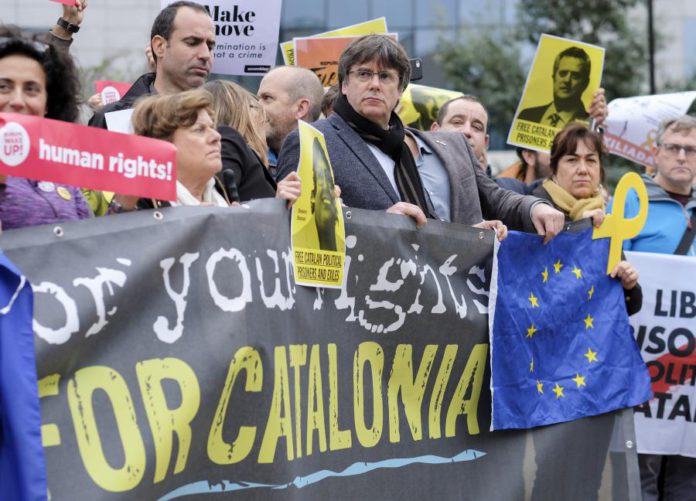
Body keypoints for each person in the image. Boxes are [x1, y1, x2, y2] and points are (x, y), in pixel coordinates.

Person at [276, 34, 563, 239]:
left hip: (455, 297)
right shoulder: (311, 140)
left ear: (400, 91)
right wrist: (382, 225)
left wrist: (534, 207)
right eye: (363, 74)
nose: (375, 84)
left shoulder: (450, 145)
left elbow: (496, 197)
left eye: (385, 77)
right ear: (344, 85)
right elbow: (296, 231)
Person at [528, 123, 643, 501]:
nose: (582, 169)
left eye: (591, 160)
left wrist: (629, 284)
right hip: (546, 373)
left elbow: (626, 305)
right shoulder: (530, 209)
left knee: (588, 480)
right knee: (549, 477)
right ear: (554, 167)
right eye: (572, 159)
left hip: (595, 373)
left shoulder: (607, 224)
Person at [620, 116, 696, 501]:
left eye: (691, 150)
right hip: (648, 359)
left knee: (689, 475)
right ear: (656, 153)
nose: (682, 156)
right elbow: (615, 264)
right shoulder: (632, 200)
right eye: (673, 147)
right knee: (641, 473)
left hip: (692, 367)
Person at [108, 89, 299, 211]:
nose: (216, 137)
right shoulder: (142, 205)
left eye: (212, 128)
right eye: (199, 130)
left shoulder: (223, 195)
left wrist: (275, 208)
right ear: (163, 145)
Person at [0, 28, 91, 230]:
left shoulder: (59, 171)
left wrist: (124, 203)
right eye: (3, 87)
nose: (17, 101)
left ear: (48, 103)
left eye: (31, 89)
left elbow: (92, 244)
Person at [88, 1, 215, 129]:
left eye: (210, 47)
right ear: (159, 46)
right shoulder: (111, 121)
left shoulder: (217, 121)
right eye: (192, 42)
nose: (205, 55)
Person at [204, 80, 277, 202]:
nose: (264, 114)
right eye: (255, 106)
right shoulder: (228, 144)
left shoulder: (232, 148)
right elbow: (220, 202)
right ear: (236, 112)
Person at [257, 66, 324, 169]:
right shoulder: (247, 160)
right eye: (258, 99)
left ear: (300, 108)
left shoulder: (328, 167)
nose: (256, 106)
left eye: (267, 98)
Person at [517, 46, 592, 127]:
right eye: (563, 73)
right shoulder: (526, 115)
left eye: (575, 76)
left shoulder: (589, 125)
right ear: (554, 77)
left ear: (585, 83)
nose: (567, 80)